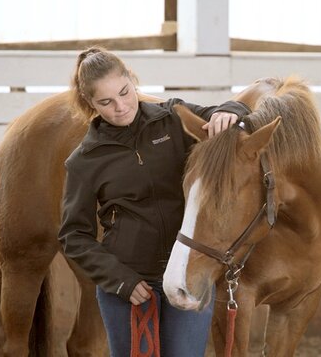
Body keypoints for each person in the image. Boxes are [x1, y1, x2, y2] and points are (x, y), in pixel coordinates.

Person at [58, 46, 251, 356]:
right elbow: (73, 236)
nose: (121, 106)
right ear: (89, 103)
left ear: (132, 81)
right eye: (106, 102)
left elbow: (225, 113)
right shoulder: (84, 161)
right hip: (130, 285)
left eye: (124, 92)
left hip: (188, 274)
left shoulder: (172, 117)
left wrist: (231, 110)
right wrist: (120, 281)